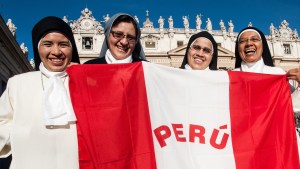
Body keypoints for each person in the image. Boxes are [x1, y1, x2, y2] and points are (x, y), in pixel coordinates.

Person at [0, 16, 80, 169]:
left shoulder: (84, 83)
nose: (56, 52)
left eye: (63, 44)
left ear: (71, 49)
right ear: (38, 48)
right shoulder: (17, 83)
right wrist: (20, 134)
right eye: (48, 44)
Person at [233, 26, 300, 140]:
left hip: (275, 139)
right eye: (243, 41)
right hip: (243, 141)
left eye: (254, 39)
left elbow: (295, 107)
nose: (249, 43)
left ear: (263, 45)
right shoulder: (230, 77)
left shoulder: (277, 74)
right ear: (238, 48)